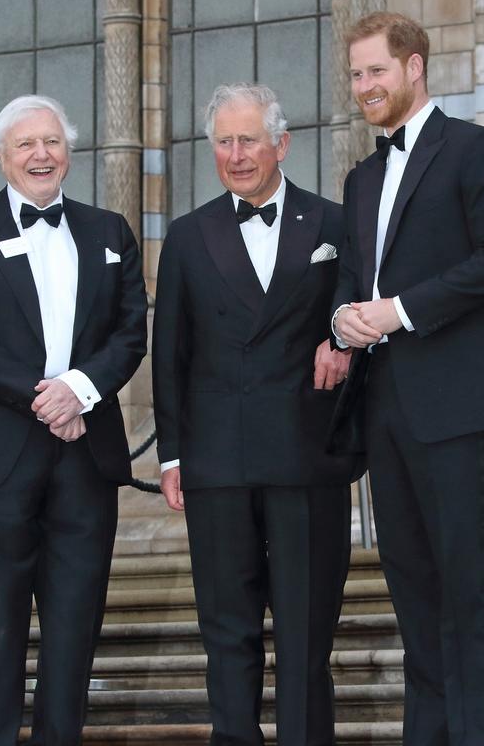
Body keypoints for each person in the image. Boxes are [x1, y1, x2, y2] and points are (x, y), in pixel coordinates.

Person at [332, 12, 484, 745]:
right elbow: (355, 283)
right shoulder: (361, 179)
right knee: (412, 594)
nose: (364, 87)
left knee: (468, 588)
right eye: (355, 74)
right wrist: (343, 323)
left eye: (376, 71)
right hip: (384, 412)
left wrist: (397, 312)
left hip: (456, 404)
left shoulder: (475, 149)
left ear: (414, 66)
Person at [0, 94, 147, 746]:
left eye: (52, 141)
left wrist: (79, 390)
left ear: (69, 153)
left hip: (86, 458)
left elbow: (131, 331)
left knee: (74, 633)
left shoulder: (110, 232)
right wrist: (43, 398)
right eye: (26, 144)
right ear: (2, 156)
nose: (41, 154)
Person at [153, 83, 360, 746]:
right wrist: (173, 453)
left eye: (248, 140)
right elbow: (170, 354)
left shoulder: (333, 225)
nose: (236, 155)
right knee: (227, 635)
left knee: (305, 640)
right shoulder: (187, 236)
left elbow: (360, 307)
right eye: (224, 141)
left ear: (282, 144)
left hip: (308, 456)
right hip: (218, 462)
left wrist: (345, 343)